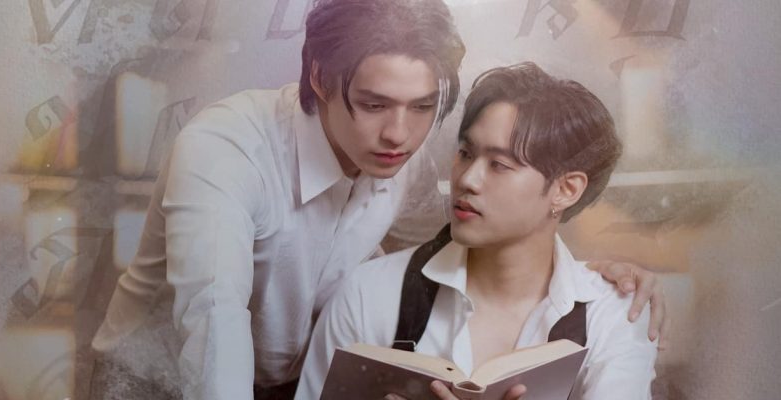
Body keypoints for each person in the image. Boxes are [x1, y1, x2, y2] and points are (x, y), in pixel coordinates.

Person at [91, 1, 667, 399]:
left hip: (294, 382)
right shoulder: (225, 151)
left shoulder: (406, 156)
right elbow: (213, 324)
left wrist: (582, 281)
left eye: (422, 107)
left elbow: (461, 237)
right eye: (373, 104)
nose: (400, 135)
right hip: (159, 382)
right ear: (320, 76)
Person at [297, 63, 658, 400]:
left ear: (566, 189)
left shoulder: (613, 313)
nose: (467, 179)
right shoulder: (369, 293)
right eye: (466, 153)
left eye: (499, 165)